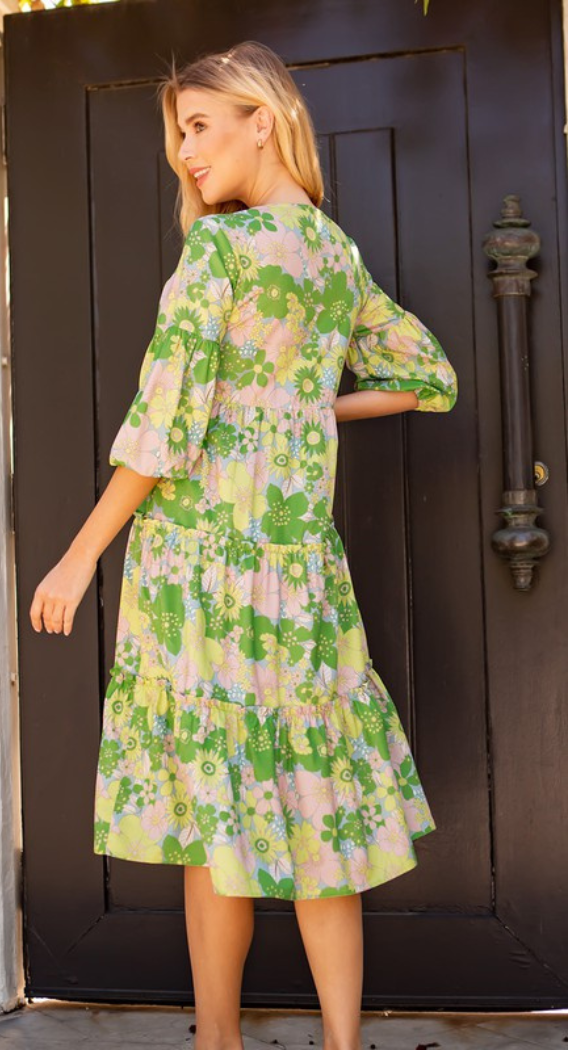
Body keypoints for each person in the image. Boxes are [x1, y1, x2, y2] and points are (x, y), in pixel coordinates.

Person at [29, 40, 458, 1050]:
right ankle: (342, 1043)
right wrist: (300, 406)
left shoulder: (221, 252)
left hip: (201, 570)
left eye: (198, 126)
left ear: (262, 120)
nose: (184, 152)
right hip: (300, 573)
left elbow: (160, 430)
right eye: (177, 135)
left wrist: (80, 555)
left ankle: (218, 1041)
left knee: (212, 818)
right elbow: (427, 375)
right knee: (320, 810)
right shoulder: (333, 254)